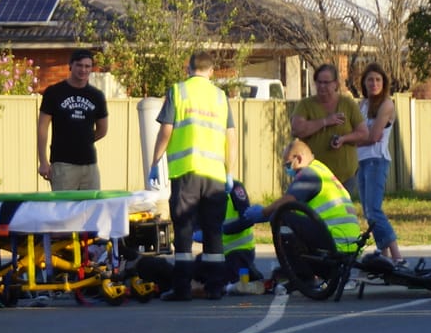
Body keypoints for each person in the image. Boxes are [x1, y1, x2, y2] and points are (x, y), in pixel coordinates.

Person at [148, 50, 237, 301]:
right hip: (215, 175)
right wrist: (229, 172)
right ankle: (215, 287)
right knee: (213, 232)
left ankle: (182, 288)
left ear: (188, 68)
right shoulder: (221, 97)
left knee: (184, 232)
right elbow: (231, 137)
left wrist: (155, 162)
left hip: (186, 172)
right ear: (211, 71)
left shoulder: (178, 92)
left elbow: (166, 130)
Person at [256, 138, 365, 256]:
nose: (287, 170)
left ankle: (295, 269)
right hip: (349, 245)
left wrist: (263, 212)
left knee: (280, 216)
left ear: (299, 159)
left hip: (334, 242)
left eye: (288, 165)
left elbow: (288, 201)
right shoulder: (321, 170)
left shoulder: (308, 174)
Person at [350, 62, 403, 263]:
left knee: (374, 210)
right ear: (364, 82)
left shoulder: (386, 104)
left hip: (376, 160)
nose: (374, 83)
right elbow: (356, 132)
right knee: (368, 212)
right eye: (370, 79)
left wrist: (352, 139)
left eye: (378, 80)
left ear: (384, 83)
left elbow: (373, 137)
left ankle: (397, 256)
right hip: (362, 162)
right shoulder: (361, 105)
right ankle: (384, 255)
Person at [36, 49, 107, 192]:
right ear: (71, 66)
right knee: (64, 210)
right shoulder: (54, 92)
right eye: (79, 65)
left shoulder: (96, 95)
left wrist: (83, 139)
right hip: (63, 164)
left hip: (90, 165)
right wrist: (43, 161)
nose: (83, 70)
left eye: (87, 66)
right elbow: (42, 128)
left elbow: (102, 129)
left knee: (91, 209)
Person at [289, 63, 365, 189]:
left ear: (335, 84)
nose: (322, 86)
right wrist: (325, 121)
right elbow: (297, 129)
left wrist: (343, 139)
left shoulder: (347, 104)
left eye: (326, 82)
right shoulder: (305, 105)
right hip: (314, 176)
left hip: (344, 177)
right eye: (319, 82)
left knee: (340, 209)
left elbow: (363, 133)